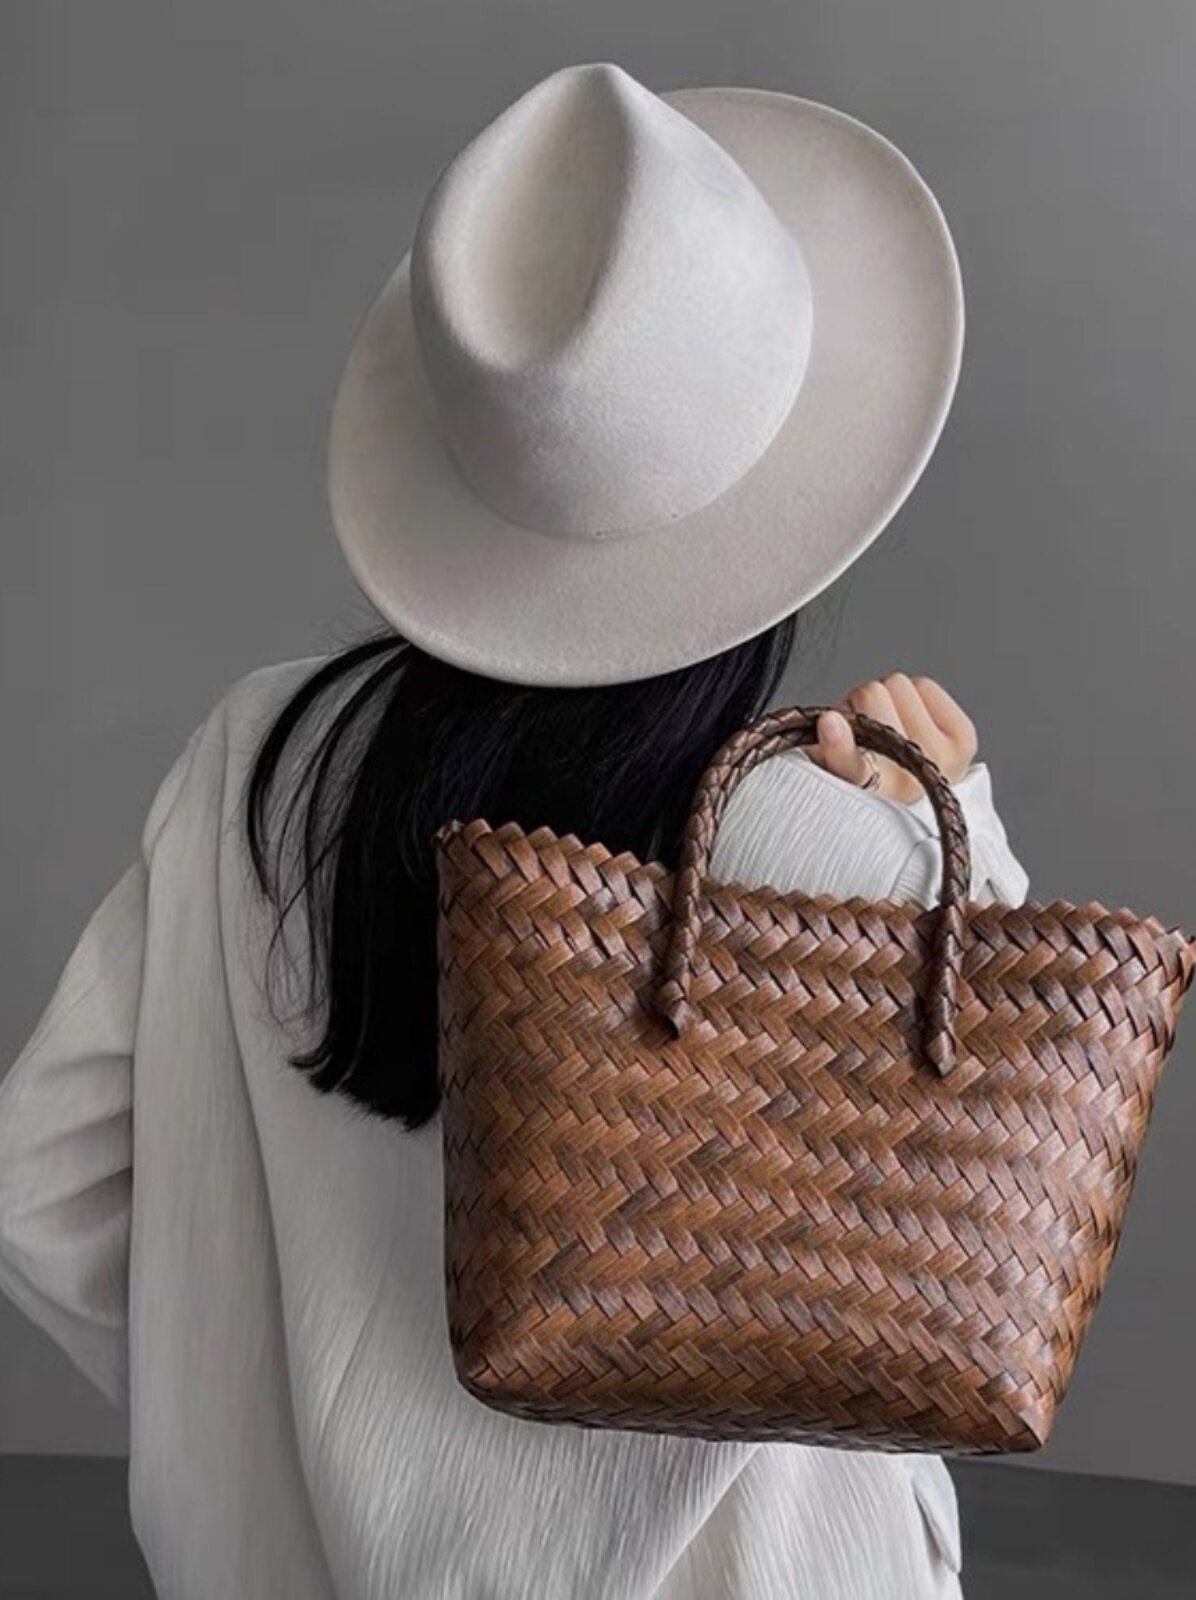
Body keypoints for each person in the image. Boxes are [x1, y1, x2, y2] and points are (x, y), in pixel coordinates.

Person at [0, 63, 1029, 1599]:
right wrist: (955, 839)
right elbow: (988, 1240)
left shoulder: (257, 771)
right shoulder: (840, 853)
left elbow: (40, 1185)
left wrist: (244, 1423)